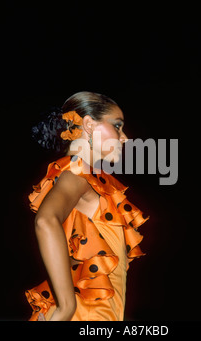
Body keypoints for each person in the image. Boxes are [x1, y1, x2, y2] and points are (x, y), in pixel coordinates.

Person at [25, 91, 149, 321]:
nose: (125, 138)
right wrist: (66, 306)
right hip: (86, 314)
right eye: (117, 126)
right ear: (89, 125)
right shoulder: (76, 175)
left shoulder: (89, 180)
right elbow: (45, 221)